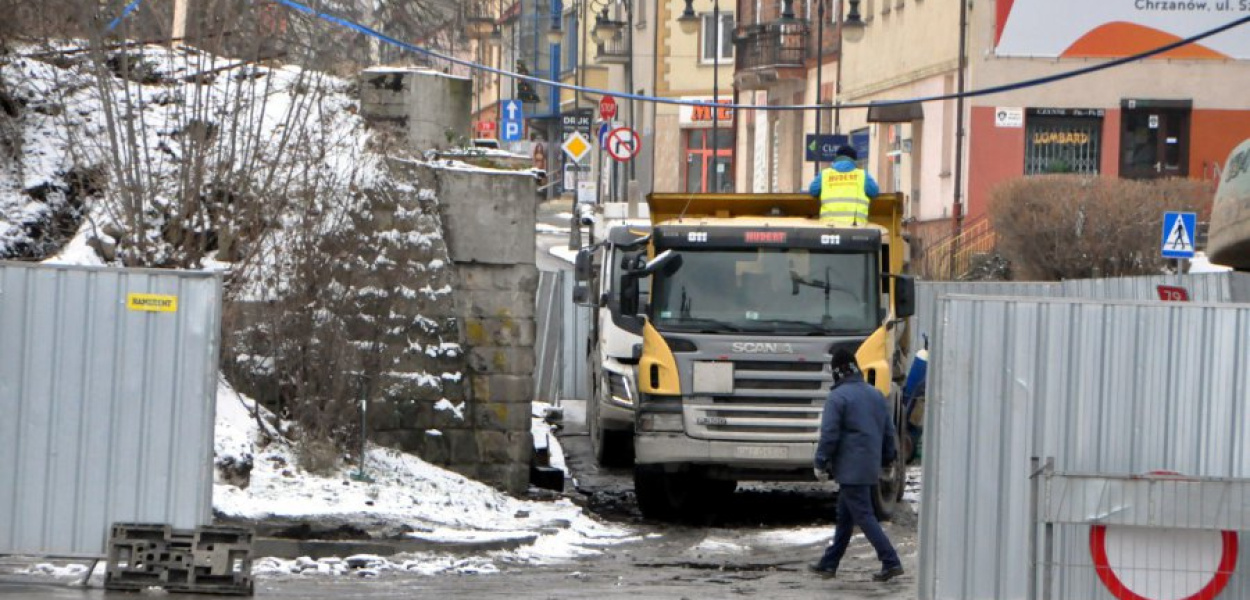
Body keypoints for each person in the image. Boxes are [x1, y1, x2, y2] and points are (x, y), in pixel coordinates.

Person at [810, 348, 904, 582]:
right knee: (845, 516)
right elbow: (888, 431)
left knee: (864, 516)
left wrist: (820, 462)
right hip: (868, 466)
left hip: (850, 469)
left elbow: (829, 434)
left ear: (836, 372)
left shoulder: (838, 397)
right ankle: (829, 564)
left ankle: (891, 561)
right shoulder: (875, 395)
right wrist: (887, 459)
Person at [808, 146, 879, 227]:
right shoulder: (862, 175)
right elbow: (874, 192)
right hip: (856, 227)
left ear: (837, 158)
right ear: (854, 160)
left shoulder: (825, 175)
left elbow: (813, 191)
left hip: (829, 226)